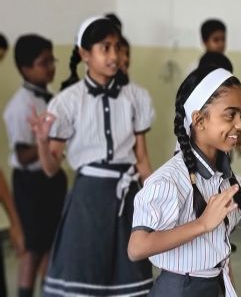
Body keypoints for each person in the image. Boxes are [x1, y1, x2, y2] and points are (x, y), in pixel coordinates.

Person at [29, 17, 154, 296]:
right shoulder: (67, 102)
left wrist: (158, 200)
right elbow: (50, 168)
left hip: (127, 199)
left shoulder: (136, 97)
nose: (114, 55)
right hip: (87, 202)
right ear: (85, 54)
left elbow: (142, 160)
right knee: (84, 279)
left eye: (117, 47)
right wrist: (42, 141)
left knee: (129, 279)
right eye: (105, 48)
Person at [129, 67, 241, 296]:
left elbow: (218, 248)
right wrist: (201, 224)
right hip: (180, 289)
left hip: (214, 286)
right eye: (230, 115)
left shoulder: (229, 180)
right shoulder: (169, 181)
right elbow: (137, 248)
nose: (240, 124)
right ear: (199, 120)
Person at [3, 35, 66, 297]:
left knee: (49, 247)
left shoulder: (50, 97)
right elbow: (23, 155)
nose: (51, 67)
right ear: (25, 69)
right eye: (44, 62)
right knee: (31, 251)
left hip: (50, 182)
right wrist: (48, 142)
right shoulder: (19, 106)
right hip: (31, 186)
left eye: (52, 60)